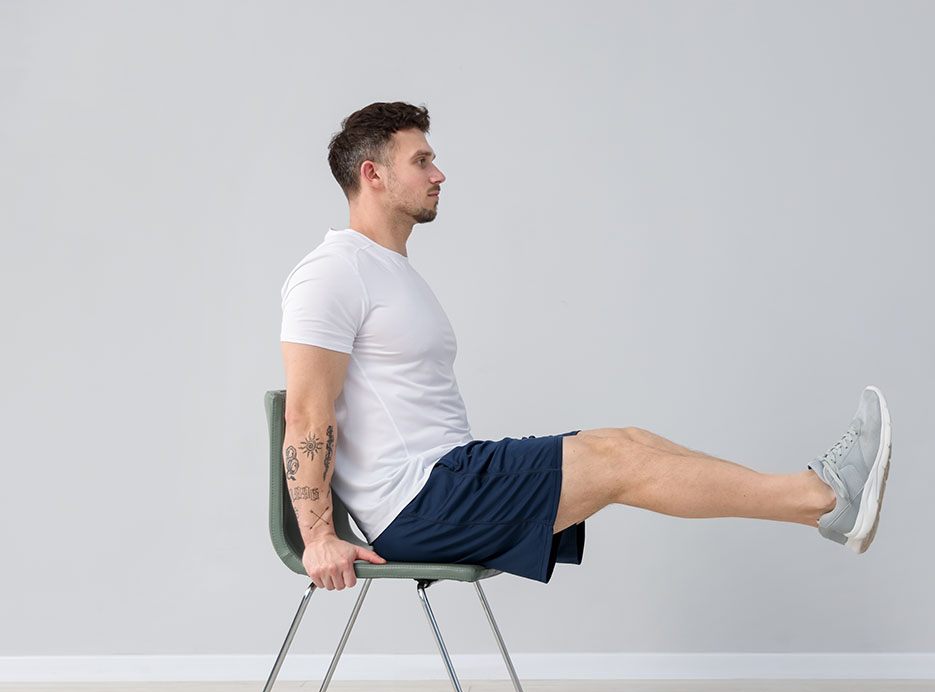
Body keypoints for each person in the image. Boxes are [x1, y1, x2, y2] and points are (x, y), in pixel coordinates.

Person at [280, 101, 892, 593]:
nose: (439, 174)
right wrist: (317, 538)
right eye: (423, 161)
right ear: (374, 174)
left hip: (450, 476)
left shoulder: (390, 270)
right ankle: (822, 495)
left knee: (630, 442)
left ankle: (821, 505)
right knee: (619, 462)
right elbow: (307, 414)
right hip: (417, 505)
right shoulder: (333, 271)